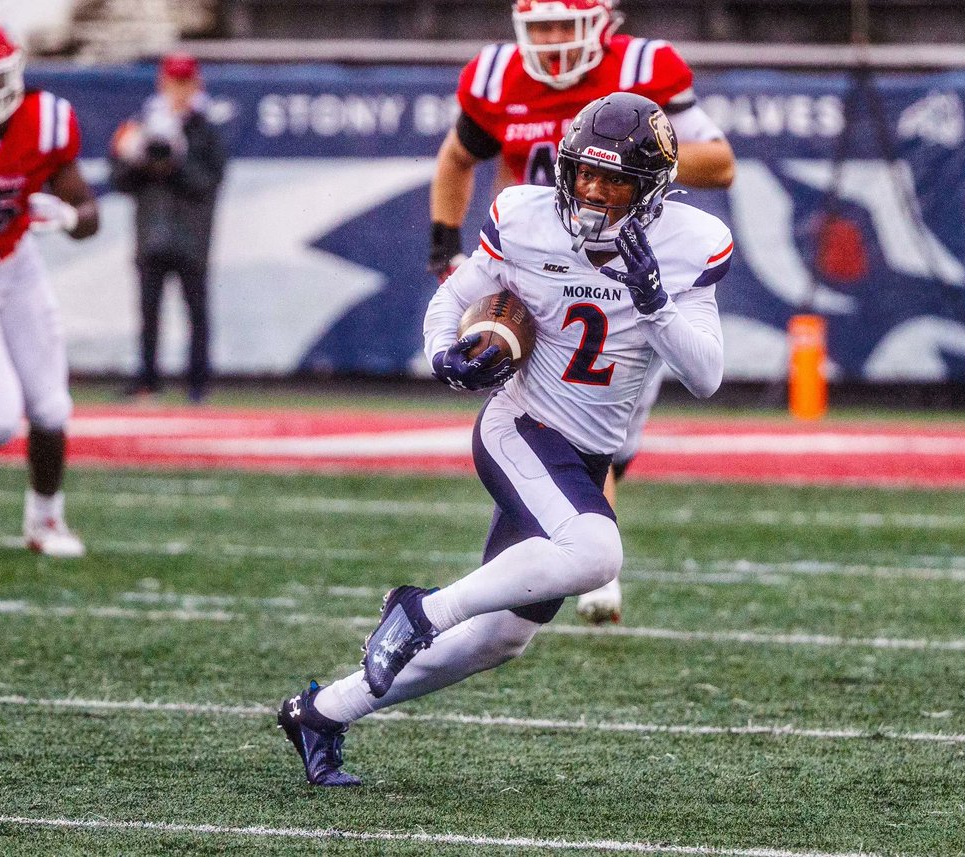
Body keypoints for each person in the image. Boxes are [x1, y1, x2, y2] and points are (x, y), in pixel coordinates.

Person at [279, 93, 733, 786]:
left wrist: (657, 305)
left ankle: (321, 712)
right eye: (583, 173)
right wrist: (442, 354)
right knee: (596, 551)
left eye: (613, 181)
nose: (592, 192)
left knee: (498, 638)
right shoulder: (525, 219)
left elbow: (705, 375)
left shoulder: (685, 244)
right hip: (521, 427)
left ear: (650, 192)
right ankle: (421, 608)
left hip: (584, 453)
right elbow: (452, 299)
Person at [429, 0, 736, 625]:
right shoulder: (497, 79)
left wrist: (623, 162)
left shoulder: (644, 69)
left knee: (610, 437)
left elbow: (720, 162)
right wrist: (446, 248)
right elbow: (457, 158)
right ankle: (581, 562)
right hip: (542, 275)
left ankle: (552, 563)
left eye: (563, 26)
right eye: (538, 26)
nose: (550, 41)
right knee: (555, 425)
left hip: (625, 272)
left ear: (602, 25)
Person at [0, 11, 99, 558]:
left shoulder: (46, 121)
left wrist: (65, 215)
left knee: (51, 407)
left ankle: (45, 522)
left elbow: (90, 214)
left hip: (16, 269)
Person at [109, 52, 226, 404]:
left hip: (192, 237)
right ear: (163, 82)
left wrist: (176, 161)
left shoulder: (206, 129)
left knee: (196, 311)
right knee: (148, 311)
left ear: (196, 84)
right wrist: (142, 158)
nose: (180, 90)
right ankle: (148, 379)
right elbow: (120, 180)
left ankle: (198, 384)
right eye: (174, 82)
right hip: (152, 235)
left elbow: (209, 182)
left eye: (186, 82)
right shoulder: (142, 123)